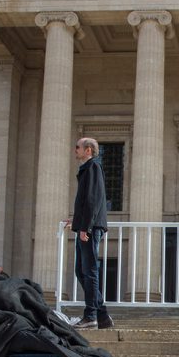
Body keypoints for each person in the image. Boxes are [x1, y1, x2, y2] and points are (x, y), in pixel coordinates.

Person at [68, 137, 113, 330]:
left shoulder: (93, 167)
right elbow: (86, 201)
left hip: (91, 228)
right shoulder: (88, 169)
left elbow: (93, 200)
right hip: (87, 225)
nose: (74, 150)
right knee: (81, 270)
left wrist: (85, 226)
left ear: (88, 150)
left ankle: (91, 316)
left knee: (90, 271)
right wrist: (77, 222)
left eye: (77, 147)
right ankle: (101, 315)